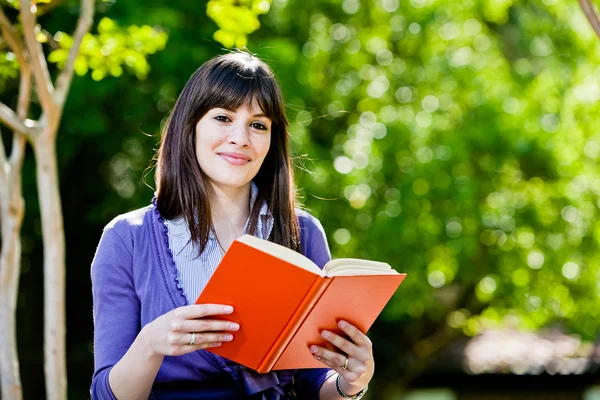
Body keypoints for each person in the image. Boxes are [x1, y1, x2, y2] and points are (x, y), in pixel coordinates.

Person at [90, 49, 374, 399]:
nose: (240, 138)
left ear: (272, 141)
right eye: (223, 118)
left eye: (258, 125)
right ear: (190, 124)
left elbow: (315, 384)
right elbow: (105, 394)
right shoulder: (127, 239)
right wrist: (151, 343)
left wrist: (351, 383)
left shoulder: (304, 232)